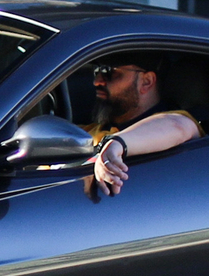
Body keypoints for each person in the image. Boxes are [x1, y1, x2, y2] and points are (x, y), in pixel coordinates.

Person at [86, 58, 202, 196]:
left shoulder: (173, 124)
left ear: (146, 82)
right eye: (97, 71)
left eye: (109, 72)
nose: (97, 81)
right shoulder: (87, 132)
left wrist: (117, 143)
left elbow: (180, 126)